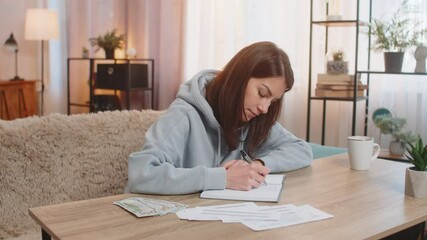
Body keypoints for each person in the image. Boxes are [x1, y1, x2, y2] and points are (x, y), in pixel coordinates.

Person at [126, 41, 313, 195]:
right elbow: (141, 174)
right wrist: (222, 178)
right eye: (262, 93)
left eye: (272, 101)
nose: (264, 108)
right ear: (240, 77)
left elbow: (302, 150)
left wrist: (257, 165)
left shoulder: (253, 119)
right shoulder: (183, 115)